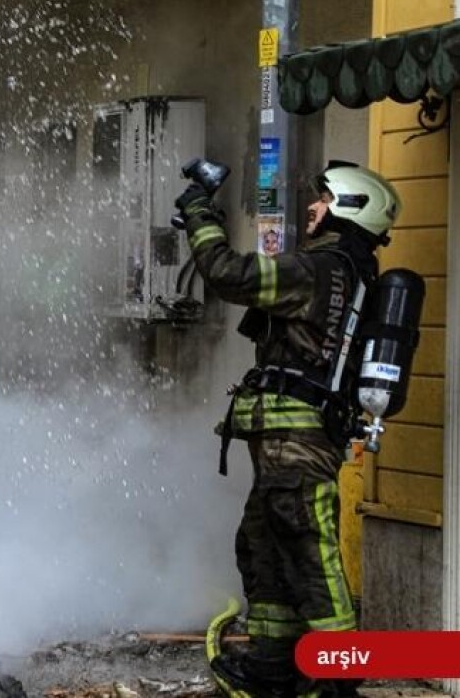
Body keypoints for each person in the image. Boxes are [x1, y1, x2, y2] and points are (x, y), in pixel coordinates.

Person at [173, 161, 400, 698]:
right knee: (264, 545)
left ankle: (339, 678)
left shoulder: (317, 270)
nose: (313, 207)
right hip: (285, 440)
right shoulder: (342, 268)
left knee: (307, 549)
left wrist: (199, 212)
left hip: (297, 440)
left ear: (351, 208)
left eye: (323, 199)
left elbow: (229, 273)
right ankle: (275, 663)